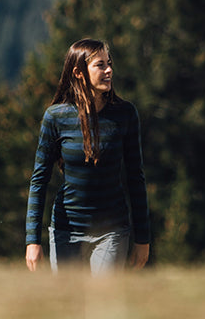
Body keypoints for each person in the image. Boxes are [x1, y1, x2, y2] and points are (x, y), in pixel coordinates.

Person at [25, 38, 150, 273]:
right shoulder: (56, 117)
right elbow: (39, 180)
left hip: (111, 231)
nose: (109, 70)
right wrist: (32, 240)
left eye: (109, 63)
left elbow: (136, 177)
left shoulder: (125, 114)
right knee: (67, 305)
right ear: (79, 72)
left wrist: (142, 239)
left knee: (102, 303)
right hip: (66, 229)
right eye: (100, 65)